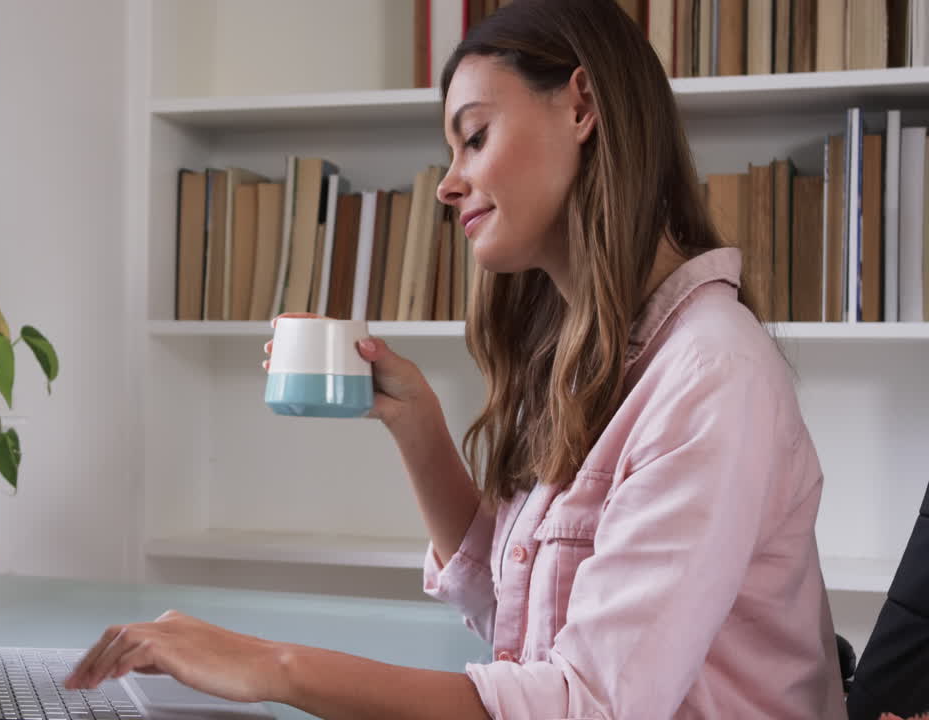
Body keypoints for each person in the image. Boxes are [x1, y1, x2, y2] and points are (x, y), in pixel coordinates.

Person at [65, 0, 847, 716]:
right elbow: (517, 619)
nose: (447, 185)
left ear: (582, 106)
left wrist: (271, 668)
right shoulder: (594, 359)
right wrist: (416, 426)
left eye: (474, 136)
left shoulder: (711, 375)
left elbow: (590, 705)